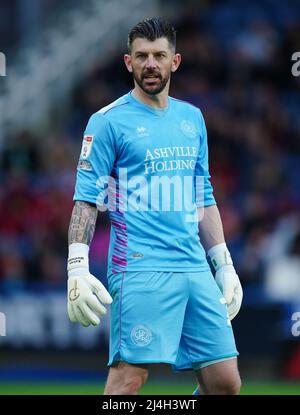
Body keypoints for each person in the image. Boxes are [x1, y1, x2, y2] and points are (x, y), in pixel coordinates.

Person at [67, 17, 243, 395]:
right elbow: (86, 200)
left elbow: (204, 198)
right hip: (140, 267)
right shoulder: (107, 122)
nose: (151, 63)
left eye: (159, 55)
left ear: (174, 62)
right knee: (128, 380)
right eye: (142, 56)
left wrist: (223, 263)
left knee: (225, 383)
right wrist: (77, 266)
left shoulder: (192, 118)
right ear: (128, 62)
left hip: (194, 266)